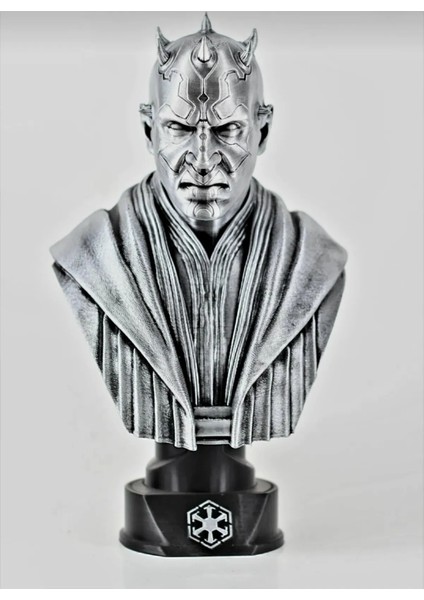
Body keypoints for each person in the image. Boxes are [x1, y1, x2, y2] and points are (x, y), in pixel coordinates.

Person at [51, 15, 347, 451]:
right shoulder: (94, 257)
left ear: (262, 131)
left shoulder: (313, 262)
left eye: (228, 130)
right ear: (149, 131)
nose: (204, 160)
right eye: (179, 128)